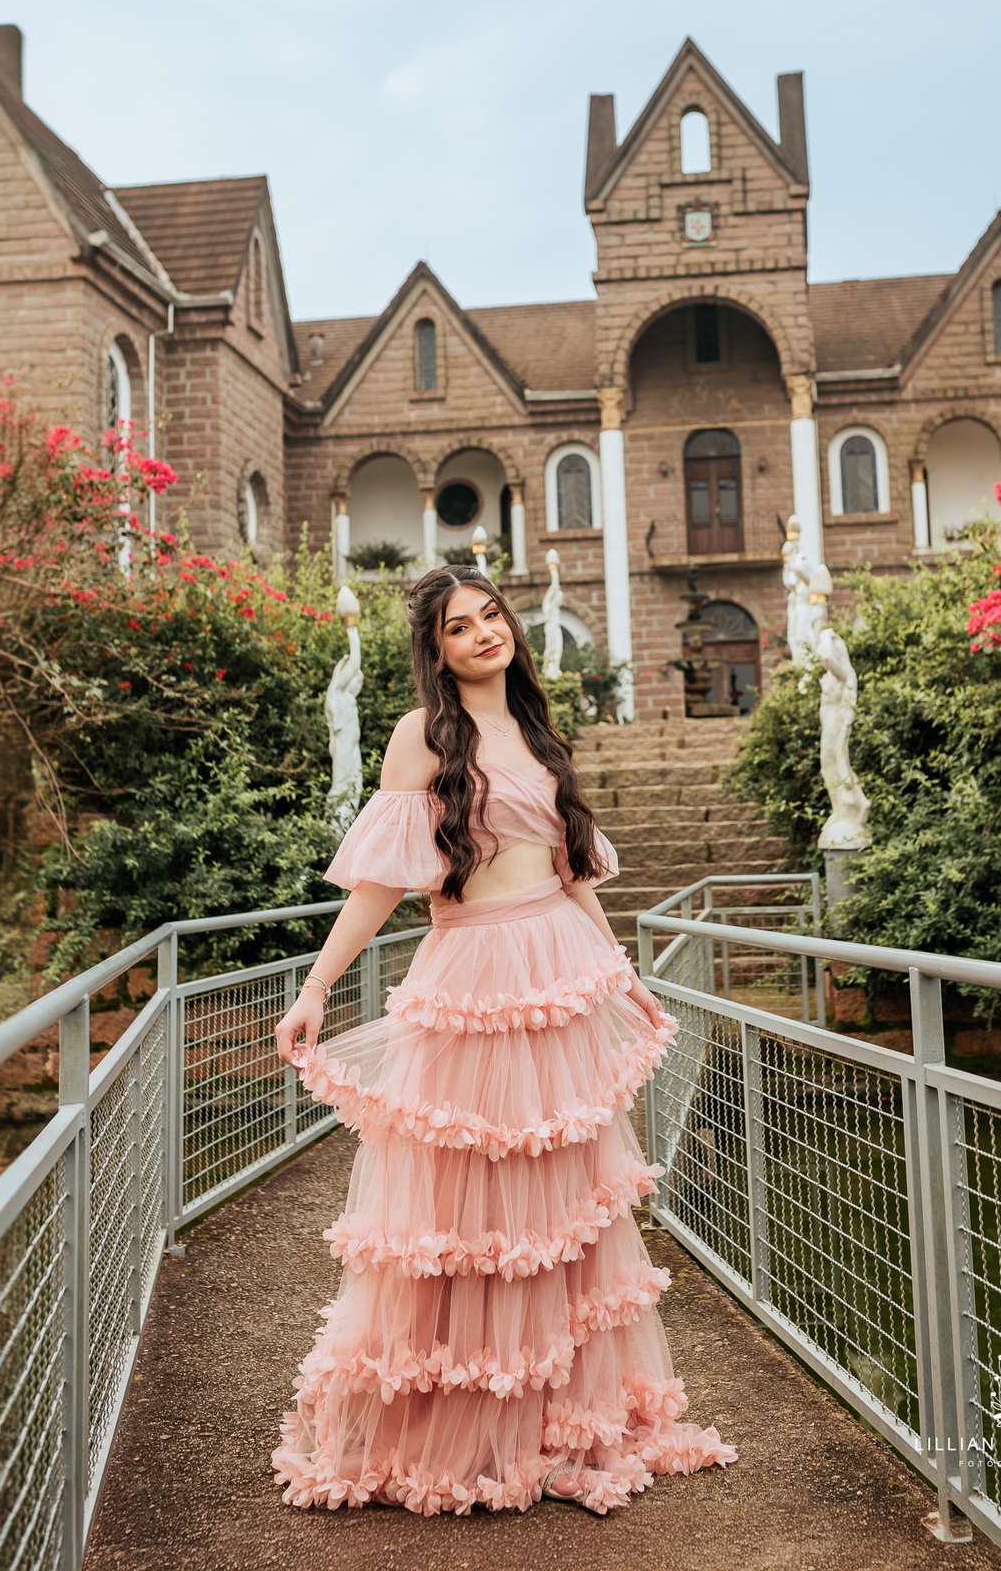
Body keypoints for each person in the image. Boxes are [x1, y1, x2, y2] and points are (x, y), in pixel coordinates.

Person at [272, 566, 736, 1516]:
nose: (483, 634)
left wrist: (628, 980)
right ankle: (466, 1428)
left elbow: (577, 879)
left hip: (561, 974)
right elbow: (380, 886)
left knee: (564, 1203)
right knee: (468, 1207)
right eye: (458, 626)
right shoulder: (423, 737)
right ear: (435, 649)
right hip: (473, 979)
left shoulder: (537, 732)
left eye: (492, 616)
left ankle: (558, 1424)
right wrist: (315, 989)